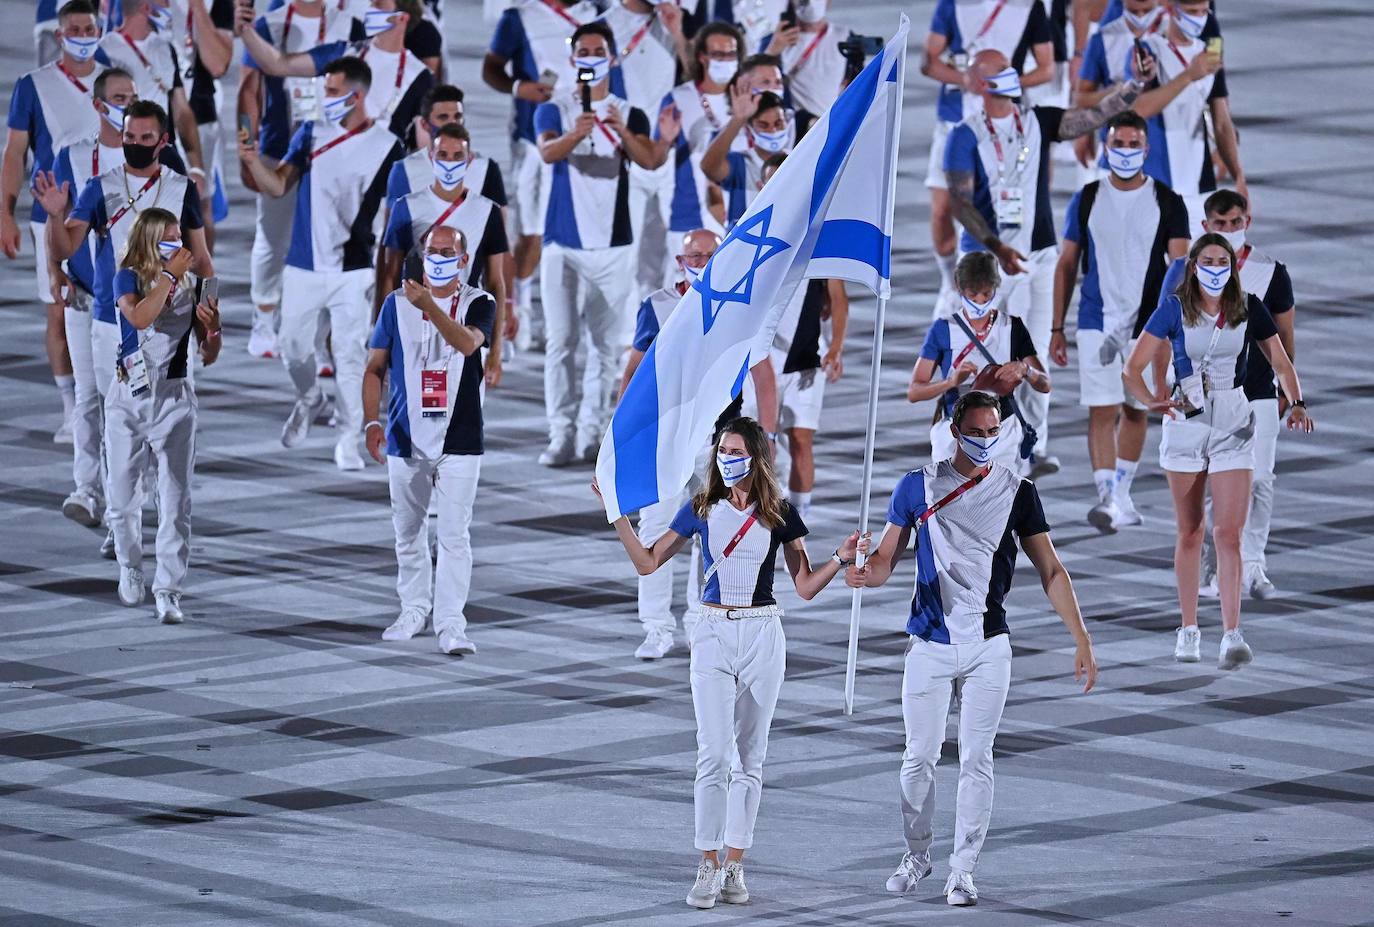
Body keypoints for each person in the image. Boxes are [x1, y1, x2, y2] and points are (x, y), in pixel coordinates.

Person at [597, 415, 863, 909]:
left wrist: (841, 559)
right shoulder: (699, 508)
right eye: (722, 449)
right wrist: (617, 514)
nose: (727, 457)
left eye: (737, 450)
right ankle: (707, 863)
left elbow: (804, 586)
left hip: (764, 631)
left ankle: (735, 864)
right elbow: (648, 562)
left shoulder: (779, 513)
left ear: (757, 456)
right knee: (713, 754)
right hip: (713, 632)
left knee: (750, 758)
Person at [847, 390, 1097, 907]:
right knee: (917, 760)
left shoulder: (1019, 492)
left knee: (977, 760)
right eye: (976, 431)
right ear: (955, 430)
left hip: (989, 647)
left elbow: (1051, 570)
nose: (985, 441)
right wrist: (860, 570)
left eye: (993, 432)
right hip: (930, 645)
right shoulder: (917, 486)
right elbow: (885, 563)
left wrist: (1082, 638)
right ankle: (917, 855)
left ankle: (962, 870)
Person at [944, 48, 1158, 477]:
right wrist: (996, 246)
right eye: (1003, 71)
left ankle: (1032, 443)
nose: (1013, 76)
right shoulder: (965, 136)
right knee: (989, 356)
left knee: (1033, 355)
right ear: (983, 83)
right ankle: (978, 442)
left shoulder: (1036, 121)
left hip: (1038, 257)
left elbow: (1092, 117)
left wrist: (1134, 86)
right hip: (988, 264)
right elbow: (960, 201)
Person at [1123, 234, 1312, 669]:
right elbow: (1132, 367)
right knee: (1191, 531)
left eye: (1222, 260)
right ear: (1193, 266)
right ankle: (1188, 629)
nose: (1215, 267)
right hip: (1186, 422)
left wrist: (1297, 402)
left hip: (1233, 418)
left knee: (1228, 533)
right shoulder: (1173, 308)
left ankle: (1232, 634)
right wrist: (1151, 399)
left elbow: (1280, 361)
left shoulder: (1247, 306)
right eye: (1207, 260)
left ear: (1232, 265)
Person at [237, 55, 405, 471]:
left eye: (331, 91)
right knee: (292, 349)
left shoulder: (389, 146)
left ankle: (350, 436)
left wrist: (388, 278)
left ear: (357, 95)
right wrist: (251, 158)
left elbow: (392, 218)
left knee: (350, 355)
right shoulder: (311, 132)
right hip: (303, 266)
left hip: (353, 269)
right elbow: (278, 185)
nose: (324, 97)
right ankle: (310, 396)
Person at [1050, 110, 1189, 530]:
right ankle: (1108, 496)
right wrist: (1057, 328)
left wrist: (1174, 332)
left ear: (1146, 150)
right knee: (1101, 408)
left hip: (1148, 324)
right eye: (1117, 144)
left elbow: (1180, 268)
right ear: (1105, 148)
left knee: (1136, 409)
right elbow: (1067, 264)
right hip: (1096, 319)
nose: (1125, 152)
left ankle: (1122, 491)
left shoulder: (1168, 201)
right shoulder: (1088, 197)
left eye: (1133, 145)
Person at [363, 225, 495, 655]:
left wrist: (431, 308)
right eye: (432, 250)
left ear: (463, 258)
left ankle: (451, 624)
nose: (439, 258)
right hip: (405, 435)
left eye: (448, 252)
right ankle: (413, 609)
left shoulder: (480, 302)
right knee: (408, 531)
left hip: (460, 438)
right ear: (421, 255)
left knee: (455, 536)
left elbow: (467, 345)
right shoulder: (396, 304)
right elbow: (374, 367)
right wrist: (370, 421)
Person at [1162, 190, 1296, 600]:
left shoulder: (1271, 271)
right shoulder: (1184, 271)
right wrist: (1166, 391)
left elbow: (1284, 338)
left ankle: (1253, 564)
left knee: (1261, 478)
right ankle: (1211, 564)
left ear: (1247, 223)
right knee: (1207, 482)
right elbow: (1162, 332)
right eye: (1219, 225)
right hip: (1198, 397)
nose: (1228, 231)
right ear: (1205, 227)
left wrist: (1290, 394)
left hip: (1256, 391)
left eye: (1235, 223)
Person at [534, 21, 656, 466]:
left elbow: (648, 159)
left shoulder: (629, 111)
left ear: (613, 57)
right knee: (560, 341)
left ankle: (590, 432)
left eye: (598, 50)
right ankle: (559, 433)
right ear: (572, 59)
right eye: (582, 51)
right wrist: (576, 132)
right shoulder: (555, 108)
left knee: (606, 347)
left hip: (615, 245)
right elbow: (548, 152)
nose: (590, 57)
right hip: (562, 244)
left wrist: (622, 131)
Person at [107, 207, 221, 622]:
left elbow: (208, 354)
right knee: (121, 497)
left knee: (175, 500)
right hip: (128, 396)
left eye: (180, 237)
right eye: (168, 238)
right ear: (149, 242)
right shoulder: (128, 277)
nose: (179, 245)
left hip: (174, 399)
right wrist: (169, 277)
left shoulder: (198, 285)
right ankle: (130, 565)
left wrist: (213, 330)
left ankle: (169, 589)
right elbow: (139, 317)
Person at [2, 0, 109, 444]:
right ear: (60, 36)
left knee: (114, 311)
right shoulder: (33, 85)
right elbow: (14, 153)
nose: (83, 35)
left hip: (110, 212)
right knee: (61, 315)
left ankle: (111, 403)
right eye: (75, 29)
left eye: (90, 27)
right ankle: (72, 410)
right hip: (55, 215)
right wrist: (5, 213)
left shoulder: (116, 79)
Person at [47, 67, 141, 530]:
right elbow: (56, 218)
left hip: (132, 303)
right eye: (120, 97)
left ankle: (128, 499)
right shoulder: (73, 155)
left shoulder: (153, 157)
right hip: (84, 293)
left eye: (133, 95)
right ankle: (86, 489)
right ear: (99, 105)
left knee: (125, 403)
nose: (128, 103)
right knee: (88, 398)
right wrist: (54, 270)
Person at [618, 228, 719, 660]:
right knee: (657, 529)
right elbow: (635, 371)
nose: (697, 262)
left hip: (714, 438)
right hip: (663, 437)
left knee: (711, 531)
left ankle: (700, 620)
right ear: (679, 260)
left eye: (706, 255)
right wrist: (622, 432)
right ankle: (656, 627)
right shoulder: (657, 305)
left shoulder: (738, 303)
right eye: (691, 256)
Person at [237, 0, 357, 359]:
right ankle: (263, 315)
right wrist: (245, 144)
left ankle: (321, 337)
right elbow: (248, 91)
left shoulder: (347, 24)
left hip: (333, 151)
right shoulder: (269, 26)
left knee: (330, 241)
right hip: (278, 145)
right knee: (273, 237)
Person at [921, 0, 1053, 317]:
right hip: (955, 119)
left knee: (1004, 210)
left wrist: (1001, 85)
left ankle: (994, 284)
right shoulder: (953, 5)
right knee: (942, 211)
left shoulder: (1028, 7)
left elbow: (1047, 68)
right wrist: (966, 80)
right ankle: (949, 280)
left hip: (1005, 125)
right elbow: (929, 62)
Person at [483, 0, 602, 350]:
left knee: (578, 227)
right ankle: (517, 308)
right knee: (529, 229)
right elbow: (491, 69)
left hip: (583, 139)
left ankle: (568, 312)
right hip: (533, 140)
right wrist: (518, 87)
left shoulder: (596, 15)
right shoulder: (519, 17)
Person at [1075, 0, 1239, 227]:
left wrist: (1228, 146)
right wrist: (1088, 129)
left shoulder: (1203, 26)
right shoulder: (1110, 33)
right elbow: (1093, 96)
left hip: (1190, 172)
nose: (1141, 15)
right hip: (1131, 158)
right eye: (1135, 10)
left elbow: (1216, 89)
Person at [379, 124, 509, 376]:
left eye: (458, 156)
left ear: (469, 160)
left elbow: (496, 283)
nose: (450, 162)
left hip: (466, 326)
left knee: (464, 413)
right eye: (443, 155)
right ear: (431, 158)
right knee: (412, 412)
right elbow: (389, 276)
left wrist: (496, 350)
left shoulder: (488, 211)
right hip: (414, 325)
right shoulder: (406, 207)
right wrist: (384, 340)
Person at [908, 251, 1049, 470]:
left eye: (986, 293)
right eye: (973, 294)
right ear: (959, 288)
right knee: (951, 501)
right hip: (954, 433)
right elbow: (914, 391)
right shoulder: (943, 329)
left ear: (996, 287)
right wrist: (950, 382)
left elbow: (1045, 384)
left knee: (1000, 501)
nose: (980, 301)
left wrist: (1025, 369)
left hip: (1002, 432)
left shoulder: (1013, 327)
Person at [235, 0, 436, 149]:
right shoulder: (342, 51)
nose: (370, 8)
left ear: (402, 17)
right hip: (283, 154)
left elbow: (425, 142)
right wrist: (246, 147)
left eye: (378, 4)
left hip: (378, 180)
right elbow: (254, 86)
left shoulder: (420, 75)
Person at [652, 22, 745, 271]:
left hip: (740, 215)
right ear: (702, 57)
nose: (725, 60)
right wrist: (663, 140)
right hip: (688, 215)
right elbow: (655, 158)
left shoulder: (747, 99)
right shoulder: (678, 99)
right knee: (685, 299)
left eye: (730, 54)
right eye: (718, 54)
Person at [99, 1, 209, 209]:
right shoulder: (106, 50)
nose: (170, 5)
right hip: (126, 161)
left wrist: (197, 168)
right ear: (146, 8)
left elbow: (182, 111)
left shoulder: (165, 48)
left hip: (166, 158)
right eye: (163, 2)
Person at [760, 0, 852, 136]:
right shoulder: (774, 41)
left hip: (828, 128)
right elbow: (755, 82)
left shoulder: (845, 37)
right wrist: (771, 52)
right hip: (791, 130)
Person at [700, 87, 790, 226]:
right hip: (745, 245)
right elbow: (708, 167)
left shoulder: (799, 160)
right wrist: (738, 119)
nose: (773, 130)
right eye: (763, 125)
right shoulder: (739, 163)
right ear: (749, 130)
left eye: (778, 123)